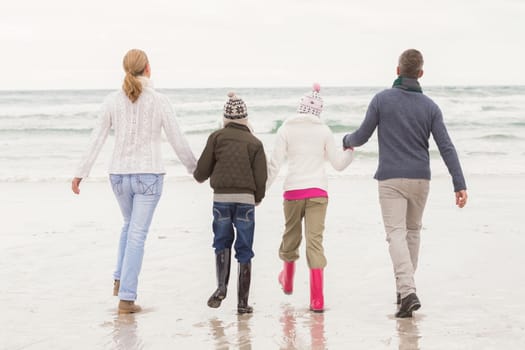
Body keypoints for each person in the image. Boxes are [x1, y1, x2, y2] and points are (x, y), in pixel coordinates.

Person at [342, 49, 468, 318]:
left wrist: (345, 141)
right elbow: (446, 146)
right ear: (420, 74)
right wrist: (459, 183)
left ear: (397, 70)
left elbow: (362, 136)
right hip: (421, 179)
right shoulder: (430, 107)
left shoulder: (381, 100)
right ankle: (404, 290)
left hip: (391, 179)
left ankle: (408, 291)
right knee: (413, 232)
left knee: (396, 234)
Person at [71, 49, 197, 313]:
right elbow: (177, 138)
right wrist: (194, 168)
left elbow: (97, 138)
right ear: (148, 69)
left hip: (118, 176)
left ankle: (120, 279)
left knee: (129, 227)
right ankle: (127, 298)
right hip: (148, 176)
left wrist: (80, 172)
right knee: (137, 233)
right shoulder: (159, 100)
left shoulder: (111, 101)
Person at [267, 84, 353, 312]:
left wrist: (261, 190)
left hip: (293, 192)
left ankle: (287, 280)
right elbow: (338, 164)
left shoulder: (286, 128)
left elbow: (274, 164)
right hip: (318, 193)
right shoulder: (324, 131)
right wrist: (350, 151)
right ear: (318, 112)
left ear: (300, 108)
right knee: (315, 242)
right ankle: (317, 300)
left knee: (291, 236)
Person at [193, 92, 267, 314]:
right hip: (245, 201)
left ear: (225, 117)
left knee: (221, 242)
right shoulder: (255, 143)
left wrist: (198, 176)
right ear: (245, 118)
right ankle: (243, 304)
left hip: (221, 199)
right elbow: (260, 177)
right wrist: (258, 198)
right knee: (245, 249)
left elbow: (201, 171)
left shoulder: (216, 138)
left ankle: (221, 287)